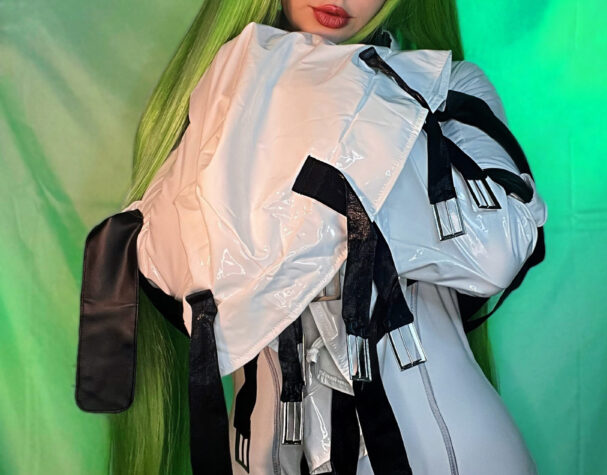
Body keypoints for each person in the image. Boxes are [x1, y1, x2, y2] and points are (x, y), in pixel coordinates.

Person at [74, 1, 547, 474]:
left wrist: (338, 94)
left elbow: (497, 249)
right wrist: (273, 87)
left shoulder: (443, 85)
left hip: (450, 454)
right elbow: (187, 279)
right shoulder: (223, 87)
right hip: (263, 458)